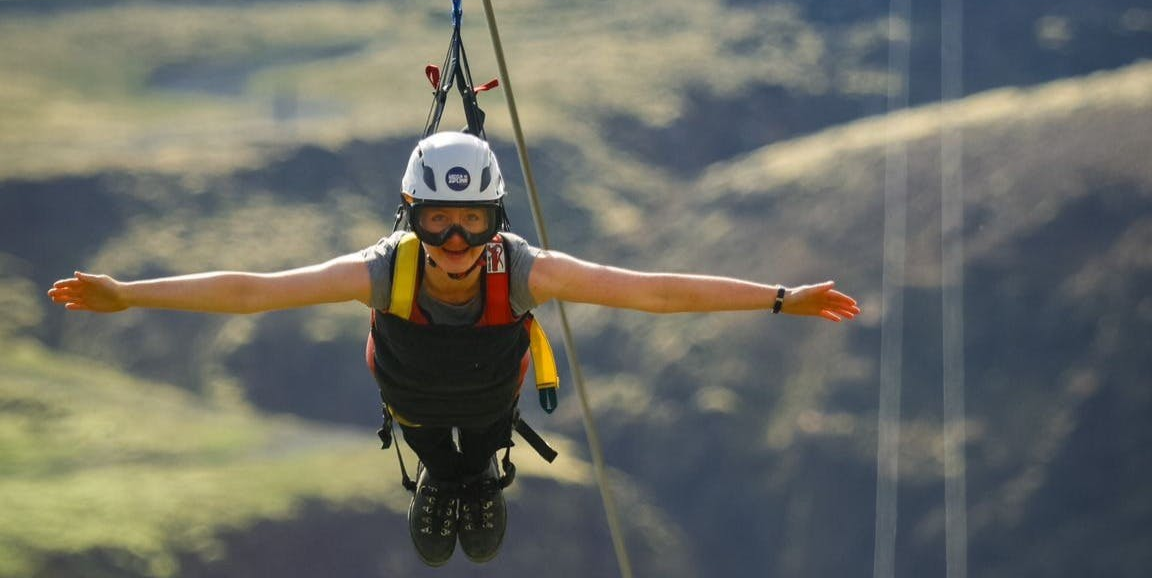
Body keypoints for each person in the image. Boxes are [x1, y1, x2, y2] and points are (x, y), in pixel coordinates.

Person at [47, 131, 860, 567]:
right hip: (414, 406)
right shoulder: (382, 270)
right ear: (410, 215)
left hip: (488, 399)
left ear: (497, 220)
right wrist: (131, 294)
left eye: (474, 222)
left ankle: (471, 483)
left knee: (479, 447)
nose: (457, 239)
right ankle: (450, 482)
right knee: (442, 455)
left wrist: (780, 299)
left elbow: (648, 289)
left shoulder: (528, 271)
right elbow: (254, 290)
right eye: (439, 219)